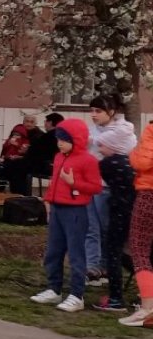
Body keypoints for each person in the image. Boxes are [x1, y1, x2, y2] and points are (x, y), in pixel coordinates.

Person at [30, 119, 104, 313]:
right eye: (58, 139)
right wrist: (47, 200)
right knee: (53, 251)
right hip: (57, 209)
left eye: (64, 140)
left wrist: (74, 184)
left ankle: (77, 295)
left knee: (76, 254)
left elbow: (95, 187)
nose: (59, 143)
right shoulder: (59, 157)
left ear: (76, 140)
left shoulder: (88, 161)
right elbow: (54, 181)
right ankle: (54, 288)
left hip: (76, 211)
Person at [84, 94, 138, 285]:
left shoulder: (123, 131)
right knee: (90, 228)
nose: (93, 115)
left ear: (112, 112)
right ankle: (92, 268)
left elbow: (91, 144)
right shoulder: (95, 130)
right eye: (91, 111)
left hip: (109, 188)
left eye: (98, 111)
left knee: (107, 230)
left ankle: (106, 268)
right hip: (90, 184)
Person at [95, 129, 138, 312]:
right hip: (137, 211)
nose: (100, 149)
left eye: (102, 145)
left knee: (114, 252)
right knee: (142, 253)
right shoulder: (134, 163)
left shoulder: (108, 163)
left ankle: (115, 298)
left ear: (113, 146)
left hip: (119, 212)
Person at [120, 121, 153, 326]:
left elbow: (142, 162)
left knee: (140, 249)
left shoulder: (151, 129)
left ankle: (148, 308)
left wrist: (133, 153)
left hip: (149, 193)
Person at [0, 123, 34, 193]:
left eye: (18, 135)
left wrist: (17, 145)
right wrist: (7, 146)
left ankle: (3, 182)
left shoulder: (25, 142)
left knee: (7, 168)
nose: (15, 136)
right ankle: (2, 182)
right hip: (6, 160)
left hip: (17, 162)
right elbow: (4, 152)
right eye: (14, 134)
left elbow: (25, 153)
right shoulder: (9, 141)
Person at [24, 113, 65, 180]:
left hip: (45, 167)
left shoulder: (47, 137)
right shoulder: (62, 136)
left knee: (16, 166)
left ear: (50, 122)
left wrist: (26, 150)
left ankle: (19, 190)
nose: (44, 124)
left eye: (45, 121)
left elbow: (33, 153)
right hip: (58, 166)